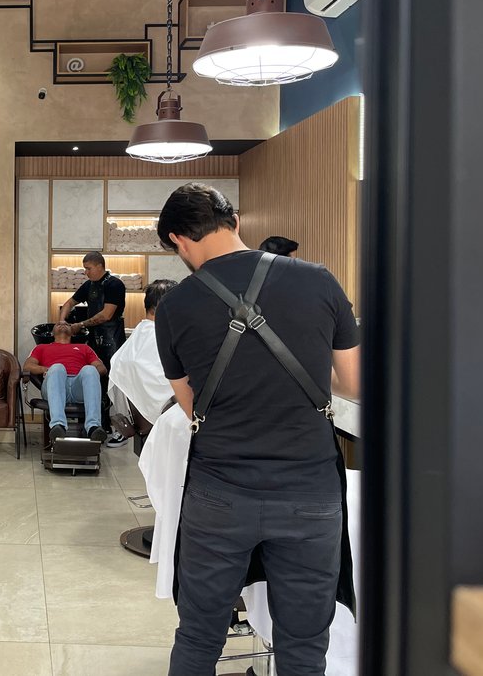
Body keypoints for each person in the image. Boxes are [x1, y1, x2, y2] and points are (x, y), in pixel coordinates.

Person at [153, 183, 360, 676]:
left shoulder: (176, 306)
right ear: (236, 221)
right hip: (310, 493)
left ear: (178, 240)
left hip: (218, 495)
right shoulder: (318, 280)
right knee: (304, 648)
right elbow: (354, 382)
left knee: (199, 637)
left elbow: (193, 407)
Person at [57, 250, 126, 433]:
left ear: (99, 266)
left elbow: (106, 314)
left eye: (88, 268)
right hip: (94, 339)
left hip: (112, 338)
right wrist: (62, 321)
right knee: (94, 379)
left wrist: (80, 325)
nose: (86, 272)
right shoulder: (89, 285)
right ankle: (96, 424)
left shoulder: (115, 285)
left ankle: (113, 425)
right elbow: (69, 303)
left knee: (110, 381)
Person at [106, 279, 178, 445]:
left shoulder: (143, 333)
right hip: (163, 418)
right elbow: (172, 385)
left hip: (140, 419)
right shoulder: (160, 337)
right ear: (164, 306)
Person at [23, 321, 107, 442]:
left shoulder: (84, 348)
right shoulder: (41, 348)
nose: (62, 323)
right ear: (52, 333)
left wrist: (91, 376)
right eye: (58, 324)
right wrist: (46, 370)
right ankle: (58, 425)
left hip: (78, 388)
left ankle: (93, 427)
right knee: (57, 368)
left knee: (90, 369)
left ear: (72, 333)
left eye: (67, 324)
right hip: (55, 385)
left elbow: (101, 368)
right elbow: (28, 366)